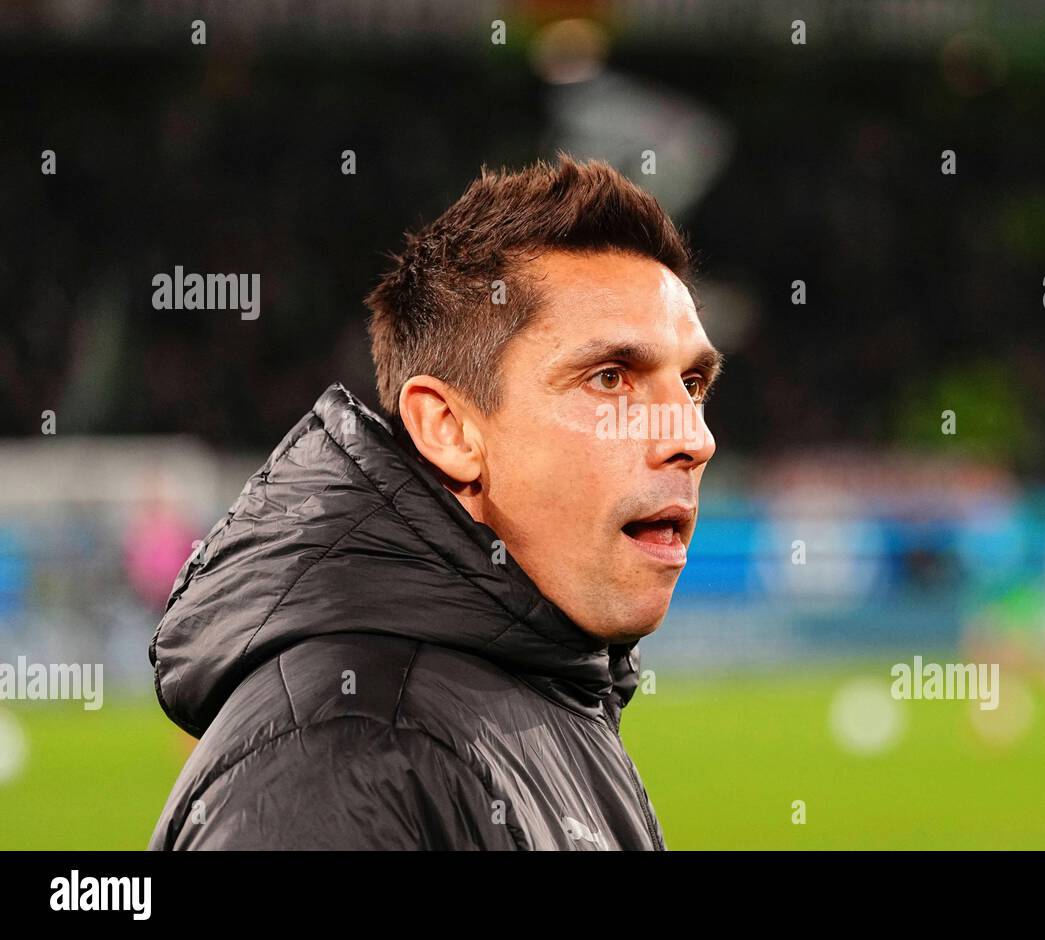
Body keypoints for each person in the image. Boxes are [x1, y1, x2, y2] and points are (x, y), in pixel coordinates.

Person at [148, 154, 722, 850]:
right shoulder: (347, 753)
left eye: (692, 384)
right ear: (449, 430)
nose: (690, 436)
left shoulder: (551, 691)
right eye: (610, 379)